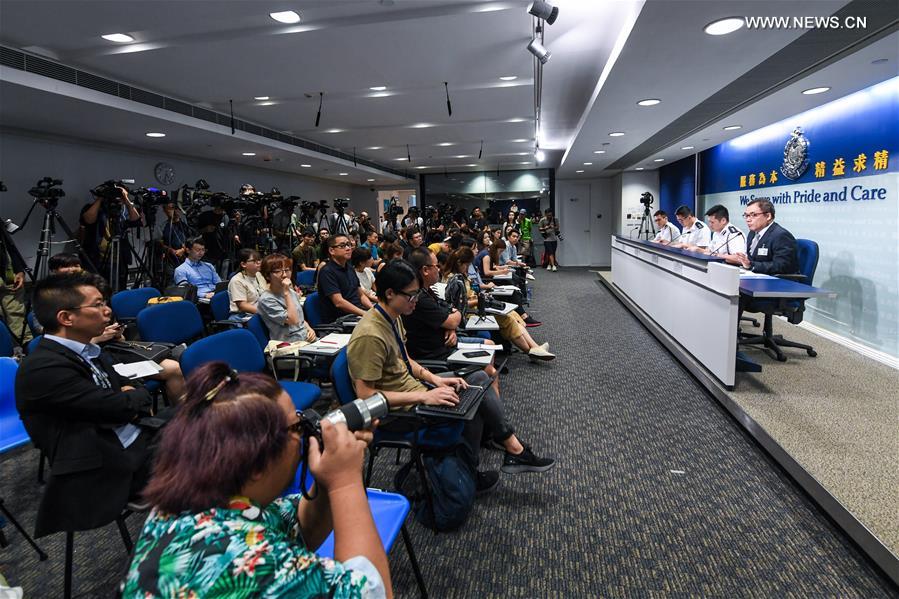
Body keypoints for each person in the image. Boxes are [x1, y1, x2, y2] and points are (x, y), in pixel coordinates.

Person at [120, 362, 390, 598]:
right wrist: (346, 481)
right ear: (257, 462)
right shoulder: (252, 564)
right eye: (295, 428)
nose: (304, 432)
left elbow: (300, 526)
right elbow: (373, 591)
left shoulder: (181, 509)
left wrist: (326, 481)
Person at [347, 260, 555, 492]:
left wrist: (435, 379)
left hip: (414, 389)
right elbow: (366, 396)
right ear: (390, 293)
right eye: (412, 295)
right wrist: (424, 397)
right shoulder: (369, 335)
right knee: (472, 404)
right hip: (396, 415)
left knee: (477, 381)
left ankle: (505, 450)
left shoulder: (393, 316)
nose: (416, 300)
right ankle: (505, 455)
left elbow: (406, 361)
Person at [16, 272, 156, 538]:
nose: (108, 311)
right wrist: (131, 399)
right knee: (213, 457)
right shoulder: (44, 368)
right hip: (105, 463)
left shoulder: (88, 350)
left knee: (216, 420)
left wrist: (129, 397)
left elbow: (128, 387)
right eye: (98, 304)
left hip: (131, 436)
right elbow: (119, 405)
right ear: (66, 318)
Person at [445, 248, 553, 360]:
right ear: (459, 263)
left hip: (478, 306)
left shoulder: (461, 276)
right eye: (466, 265)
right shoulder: (453, 280)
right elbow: (460, 306)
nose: (467, 268)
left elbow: (470, 293)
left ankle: (534, 348)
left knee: (512, 314)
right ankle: (530, 351)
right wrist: (479, 300)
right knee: (507, 318)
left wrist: (481, 298)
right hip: (471, 313)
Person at [79, 183, 142, 288]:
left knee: (120, 288)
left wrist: (126, 199)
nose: (116, 197)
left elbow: (136, 220)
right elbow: (88, 220)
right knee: (98, 288)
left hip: (119, 259)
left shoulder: (123, 210)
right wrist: (101, 197)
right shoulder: (95, 208)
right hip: (96, 259)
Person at [725, 198, 798, 275]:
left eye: (753, 215)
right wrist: (744, 262)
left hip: (778, 281)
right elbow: (751, 259)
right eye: (746, 215)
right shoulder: (752, 233)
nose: (748, 219)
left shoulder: (781, 235)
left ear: (768, 216)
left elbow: (781, 266)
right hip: (755, 276)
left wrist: (751, 265)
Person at [257, 253, 316, 343]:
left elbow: (300, 318)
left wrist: (309, 329)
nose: (284, 275)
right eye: (278, 271)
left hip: (305, 338)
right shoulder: (267, 299)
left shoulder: (290, 292)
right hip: (289, 344)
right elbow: (293, 320)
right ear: (267, 276)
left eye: (287, 270)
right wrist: (287, 293)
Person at [317, 235, 373, 323]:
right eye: (342, 246)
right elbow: (339, 302)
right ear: (332, 251)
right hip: (341, 319)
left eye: (349, 245)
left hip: (357, 314)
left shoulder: (350, 268)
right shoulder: (327, 272)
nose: (348, 248)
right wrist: (365, 314)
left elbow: (361, 295)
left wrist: (373, 310)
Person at [0, 219, 31, 344]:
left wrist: (19, 271)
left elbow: (9, 246)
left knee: (17, 313)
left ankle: (26, 348)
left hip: (7, 272)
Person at [227, 248, 268, 320]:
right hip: (242, 316)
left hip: (259, 309)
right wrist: (267, 313)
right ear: (243, 264)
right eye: (254, 261)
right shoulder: (237, 281)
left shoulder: (258, 274)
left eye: (259, 260)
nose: (259, 263)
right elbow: (243, 306)